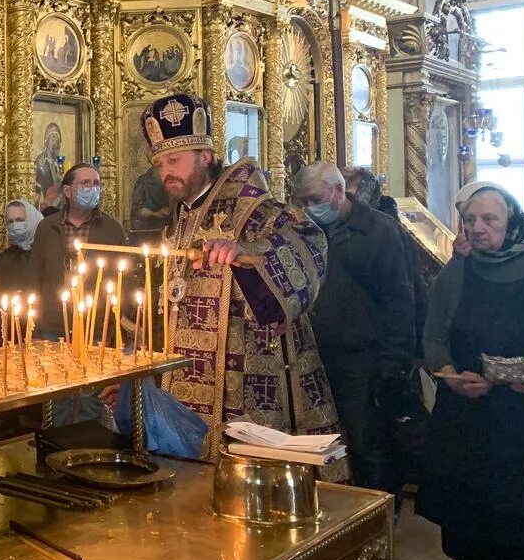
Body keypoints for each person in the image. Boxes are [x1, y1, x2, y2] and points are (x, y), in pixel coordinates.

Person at [111, 94, 339, 462]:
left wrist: (250, 254)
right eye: (160, 163)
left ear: (204, 156)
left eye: (174, 160)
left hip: (243, 376)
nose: (165, 170)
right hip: (183, 378)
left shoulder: (254, 208)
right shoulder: (179, 220)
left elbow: (309, 242)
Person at [418, 181, 524, 560]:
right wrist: (451, 375)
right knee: (471, 495)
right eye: (471, 220)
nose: (478, 228)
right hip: (469, 409)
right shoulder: (458, 271)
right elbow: (434, 335)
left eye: (489, 220)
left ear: (511, 221)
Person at [294, 162, 415, 493]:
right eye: (301, 201)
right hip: (317, 354)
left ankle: (378, 517)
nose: (308, 208)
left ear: (337, 191)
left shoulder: (379, 230)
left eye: (314, 198)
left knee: (367, 444)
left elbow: (399, 301)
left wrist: (393, 364)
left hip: (364, 358)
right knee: (323, 442)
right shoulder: (304, 232)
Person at [31, 162, 127, 339]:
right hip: (53, 325)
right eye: (86, 183)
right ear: (67, 191)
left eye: (96, 184)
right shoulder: (47, 227)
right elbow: (35, 274)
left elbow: (122, 278)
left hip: (96, 326)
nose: (93, 188)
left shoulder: (111, 229)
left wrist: (115, 319)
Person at [343, 165, 427, 353]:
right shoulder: (342, 228)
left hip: (380, 340)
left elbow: (402, 294)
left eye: (348, 193)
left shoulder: (385, 229)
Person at [0, 199, 43, 294]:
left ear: (31, 219)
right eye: (10, 222)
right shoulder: (5, 257)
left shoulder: (46, 251)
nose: (15, 225)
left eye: (20, 220)